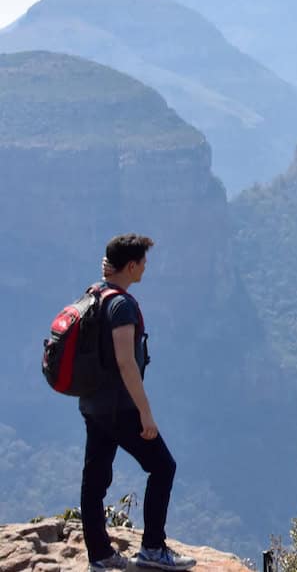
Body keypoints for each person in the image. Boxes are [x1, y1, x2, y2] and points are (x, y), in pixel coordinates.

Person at [81, 234, 195, 571]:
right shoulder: (122, 306)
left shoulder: (95, 293)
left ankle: (100, 557)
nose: (146, 267)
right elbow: (126, 362)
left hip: (93, 404)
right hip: (120, 407)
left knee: (95, 480)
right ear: (131, 266)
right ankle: (153, 549)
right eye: (143, 262)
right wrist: (145, 413)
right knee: (163, 467)